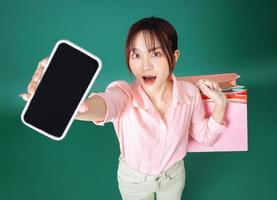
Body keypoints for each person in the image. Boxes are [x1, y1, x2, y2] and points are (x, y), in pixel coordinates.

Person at [20, 17, 227, 200]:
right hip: (134, 181)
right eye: (136, 55)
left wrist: (221, 103)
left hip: (173, 177)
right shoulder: (124, 93)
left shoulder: (190, 94)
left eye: (155, 54)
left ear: (174, 56)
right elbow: (106, 104)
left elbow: (206, 136)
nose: (144, 65)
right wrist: (69, 103)